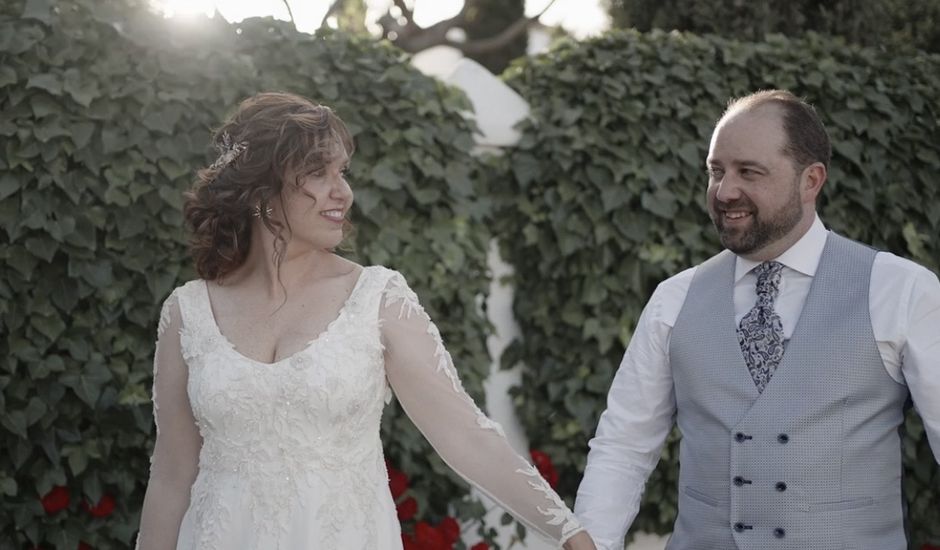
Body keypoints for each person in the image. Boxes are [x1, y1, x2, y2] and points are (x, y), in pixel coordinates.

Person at [136, 92, 597, 550]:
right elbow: (172, 476)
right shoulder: (188, 311)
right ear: (261, 190)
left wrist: (567, 531)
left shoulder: (376, 299)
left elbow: (466, 435)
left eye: (343, 172)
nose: (343, 192)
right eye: (318, 173)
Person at [574, 89, 940, 550]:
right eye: (716, 171)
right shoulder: (674, 299)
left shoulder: (900, 290)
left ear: (811, 180)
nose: (725, 191)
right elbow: (623, 447)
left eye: (749, 172)